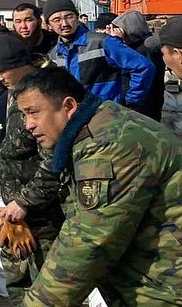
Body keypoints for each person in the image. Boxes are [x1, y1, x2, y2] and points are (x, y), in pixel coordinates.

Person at [13, 67, 182, 305]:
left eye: (33, 112)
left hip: (167, 284)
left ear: (69, 106)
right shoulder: (96, 125)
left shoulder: (110, 146)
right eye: (23, 115)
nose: (28, 125)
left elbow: (88, 242)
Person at [0, 32, 64, 287]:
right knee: (16, 281)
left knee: (47, 287)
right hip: (18, 212)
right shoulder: (15, 90)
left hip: (43, 212)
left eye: (1, 71)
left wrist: (25, 202)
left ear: (19, 64)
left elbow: (54, 160)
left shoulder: (45, 93)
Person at [43, 0, 153, 107]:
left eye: (69, 16)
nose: (64, 23)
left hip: (107, 116)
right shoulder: (54, 55)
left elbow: (143, 67)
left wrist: (131, 101)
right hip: (75, 119)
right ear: (49, 25)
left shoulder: (103, 42)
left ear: (77, 17)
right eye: (57, 20)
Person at [108, 10, 167, 121]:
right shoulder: (147, 43)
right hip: (150, 100)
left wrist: (117, 42)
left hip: (142, 104)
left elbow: (137, 72)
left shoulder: (145, 47)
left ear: (131, 29)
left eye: (122, 30)